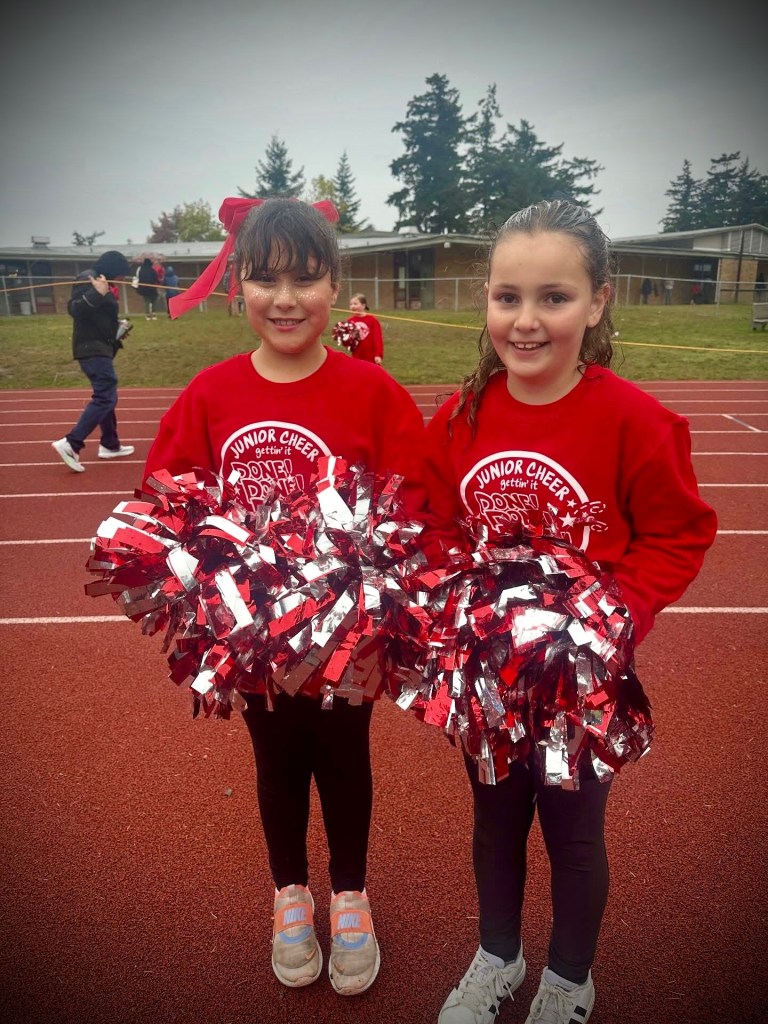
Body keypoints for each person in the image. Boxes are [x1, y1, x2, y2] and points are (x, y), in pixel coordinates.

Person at [420, 199, 717, 1024]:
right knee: (494, 824)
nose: (525, 320)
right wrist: (456, 597)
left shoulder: (636, 421)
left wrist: (611, 616)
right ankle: (498, 958)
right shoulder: (461, 416)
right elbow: (433, 522)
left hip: (582, 686)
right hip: (486, 682)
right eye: (507, 296)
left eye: (553, 297)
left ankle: (568, 980)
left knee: (575, 835)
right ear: (486, 301)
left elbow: (679, 533)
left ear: (597, 302)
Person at [144, 196, 426, 998]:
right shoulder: (211, 394)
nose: (286, 299)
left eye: (305, 279)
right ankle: (290, 893)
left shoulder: (372, 393)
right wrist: (208, 575)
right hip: (255, 639)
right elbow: (165, 496)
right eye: (265, 280)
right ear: (239, 286)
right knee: (275, 763)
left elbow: (418, 500)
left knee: (344, 758)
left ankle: (350, 895)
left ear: (334, 284)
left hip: (348, 637)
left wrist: (373, 581)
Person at [51, 250, 136, 472]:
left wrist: (117, 329)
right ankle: (72, 442)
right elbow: (75, 309)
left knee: (107, 395)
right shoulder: (88, 278)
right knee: (105, 396)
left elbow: (98, 316)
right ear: (113, 269)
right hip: (91, 349)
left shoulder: (103, 281)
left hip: (100, 347)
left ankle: (110, 444)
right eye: (122, 274)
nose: (123, 279)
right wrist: (97, 293)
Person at [346, 293, 384, 364]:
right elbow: (349, 341)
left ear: (363, 305)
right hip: (357, 355)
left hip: (371, 356)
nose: (352, 306)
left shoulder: (372, 320)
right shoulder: (349, 321)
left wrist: (378, 354)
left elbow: (377, 338)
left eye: (355, 304)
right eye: (351, 304)